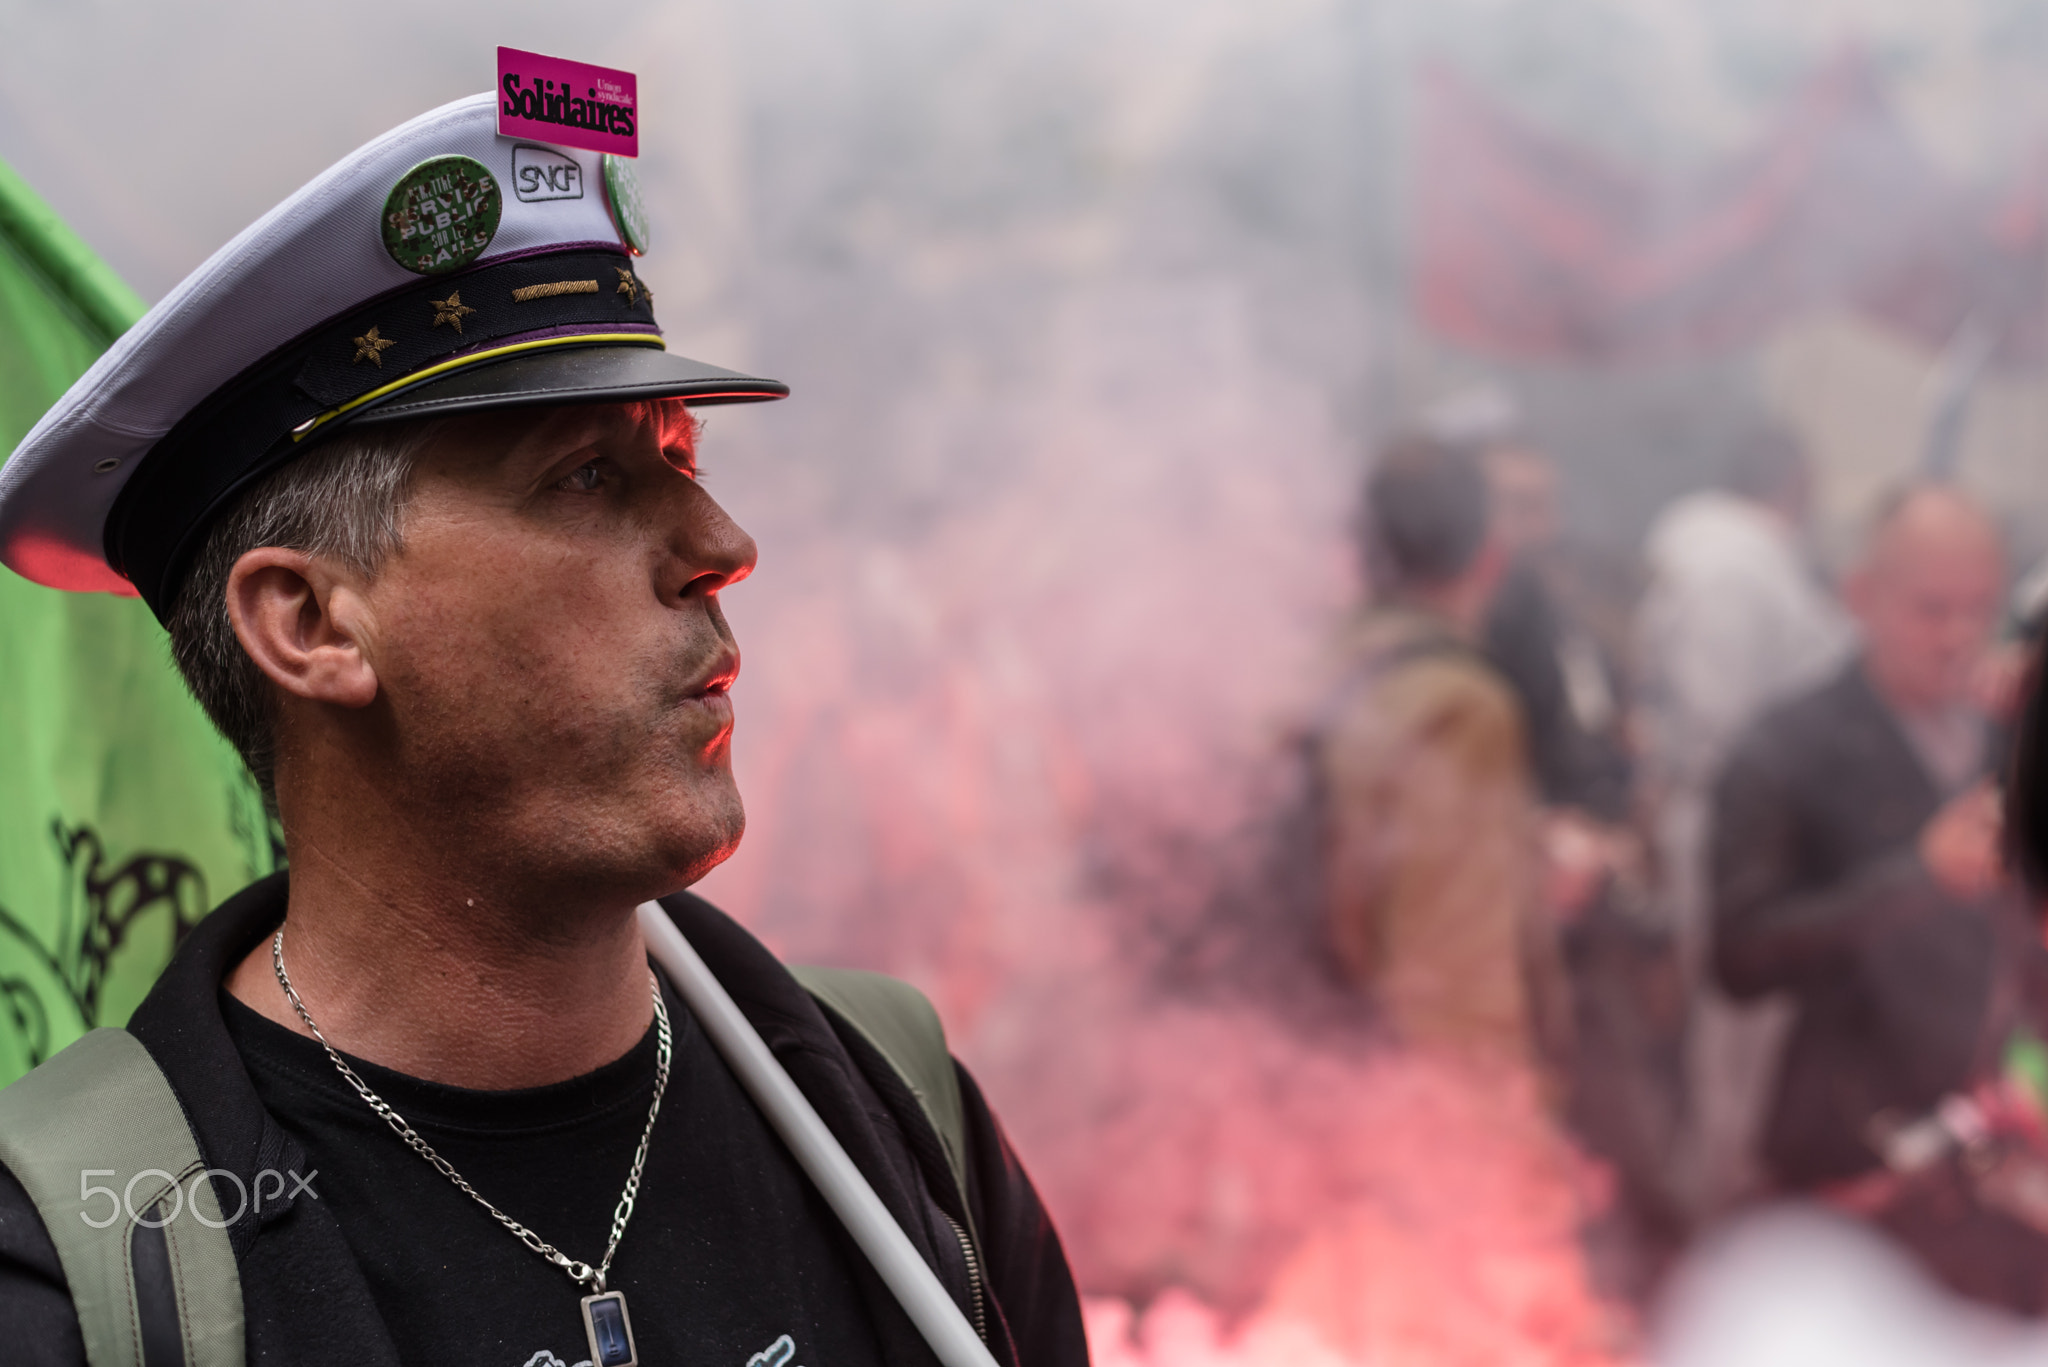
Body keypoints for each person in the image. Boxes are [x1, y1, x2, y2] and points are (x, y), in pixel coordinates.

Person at [0, 95, 1086, 1366]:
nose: (722, 547)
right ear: (307, 622)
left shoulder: (892, 1107)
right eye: (587, 475)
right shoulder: (79, 1270)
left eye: (681, 458)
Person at [1712, 484, 2048, 1313]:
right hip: (1850, 1151)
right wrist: (1919, 878)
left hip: (2006, 1159)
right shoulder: (1788, 745)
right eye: (1930, 610)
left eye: (1981, 609)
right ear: (1859, 596)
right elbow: (1739, 955)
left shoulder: (2008, 729)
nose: (1959, 637)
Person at [1635, 423, 1857, 1216]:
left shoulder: (1725, 558)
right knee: (1733, 1050)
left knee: (1734, 1048)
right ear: (1795, 481)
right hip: (1739, 837)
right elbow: (1721, 719)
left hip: (1743, 830)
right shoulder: (1730, 566)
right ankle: (1717, 1226)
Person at [1314, 433, 1569, 1068]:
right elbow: (1457, 993)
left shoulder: (1309, 672)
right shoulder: (1457, 708)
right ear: (1489, 559)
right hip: (1388, 1099)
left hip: (1288, 1074)